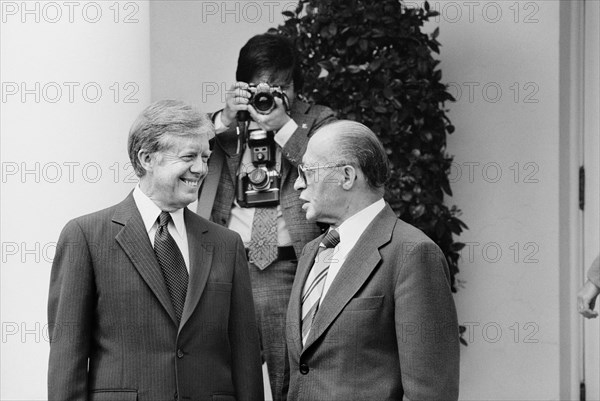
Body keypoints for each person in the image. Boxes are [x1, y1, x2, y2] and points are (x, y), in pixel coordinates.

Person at [47, 100, 264, 401]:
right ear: (147, 158)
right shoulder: (85, 236)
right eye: (189, 156)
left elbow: (246, 355)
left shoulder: (227, 243)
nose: (201, 169)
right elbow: (66, 357)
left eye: (205, 157)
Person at [198, 32, 335, 400]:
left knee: (288, 377)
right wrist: (223, 117)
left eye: (281, 85)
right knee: (222, 378)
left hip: (288, 268)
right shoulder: (229, 123)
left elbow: (327, 170)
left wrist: (283, 127)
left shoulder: (317, 120)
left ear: (295, 85)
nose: (270, 94)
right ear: (244, 86)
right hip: (226, 266)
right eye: (262, 85)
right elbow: (187, 149)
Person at [283, 120, 460, 400]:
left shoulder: (413, 254)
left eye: (308, 171)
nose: (296, 184)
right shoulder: (311, 252)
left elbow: (430, 392)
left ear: (347, 176)